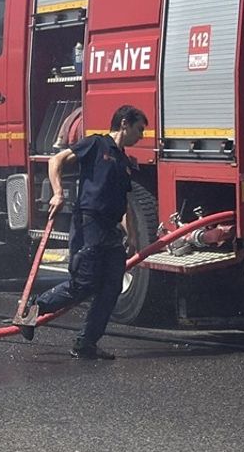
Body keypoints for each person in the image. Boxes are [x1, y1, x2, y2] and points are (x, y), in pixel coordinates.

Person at [14, 105, 149, 359]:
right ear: (124, 124)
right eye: (139, 129)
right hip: (89, 224)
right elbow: (56, 160)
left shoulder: (123, 161)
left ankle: (86, 343)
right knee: (84, 283)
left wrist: (131, 234)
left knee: (111, 288)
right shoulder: (96, 144)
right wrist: (57, 193)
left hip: (111, 230)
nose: (141, 136)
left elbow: (125, 202)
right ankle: (33, 307)